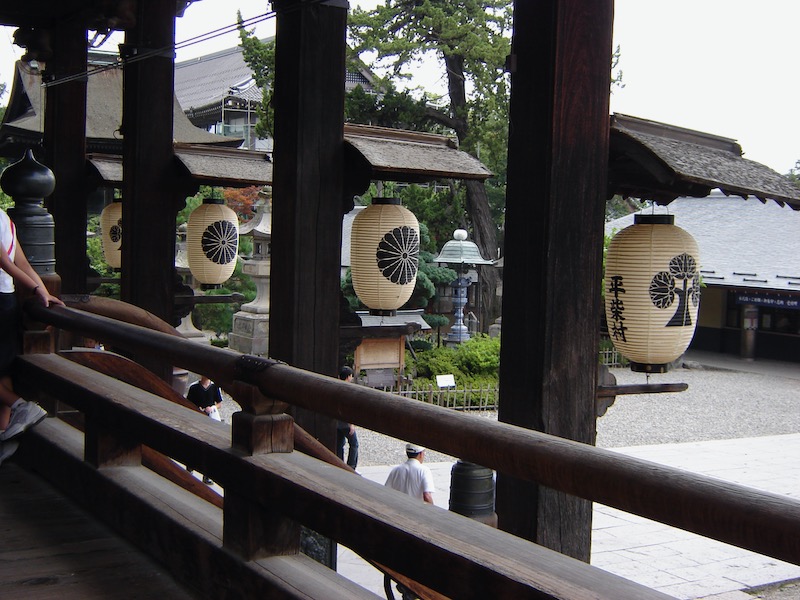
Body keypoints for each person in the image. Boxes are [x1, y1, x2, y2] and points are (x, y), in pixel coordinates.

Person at [0, 208, 63, 466]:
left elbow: (4, 260)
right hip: (6, 302)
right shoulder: (5, 219)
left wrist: (38, 289)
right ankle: (4, 436)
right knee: (2, 371)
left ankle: (21, 407)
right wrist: (42, 291)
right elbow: (21, 261)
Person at [186, 375, 224, 484]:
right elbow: (188, 403)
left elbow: (219, 403)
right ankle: (190, 469)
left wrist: (212, 408)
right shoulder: (194, 387)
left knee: (208, 446)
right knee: (194, 444)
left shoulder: (215, 387)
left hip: (210, 419)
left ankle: (206, 475)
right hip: (197, 419)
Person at [336, 365, 359, 470]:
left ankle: (339, 464)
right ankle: (351, 466)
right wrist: (351, 424)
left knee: (339, 445)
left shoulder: (335, 387)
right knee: (354, 444)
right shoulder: (348, 389)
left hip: (336, 422)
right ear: (349, 376)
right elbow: (349, 409)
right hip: (345, 423)